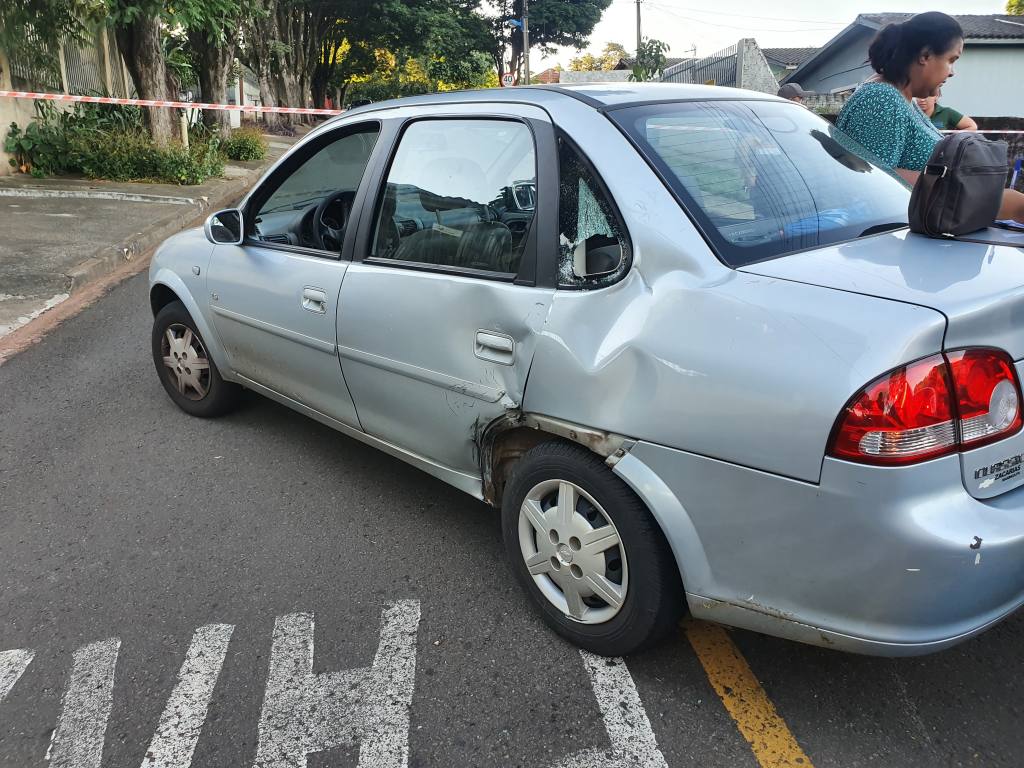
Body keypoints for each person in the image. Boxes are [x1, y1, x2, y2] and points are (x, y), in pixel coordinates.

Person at [837, 12, 1024, 222]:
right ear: (925, 56)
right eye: (951, 60)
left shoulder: (904, 99)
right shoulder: (881, 98)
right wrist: (988, 200)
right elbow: (874, 177)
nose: (952, 72)